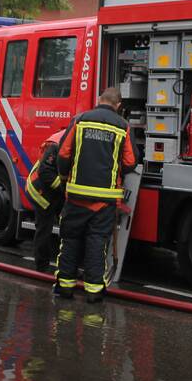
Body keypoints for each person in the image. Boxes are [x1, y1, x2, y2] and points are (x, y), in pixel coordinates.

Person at [54, 87, 136, 303]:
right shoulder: (123, 127)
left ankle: (65, 288)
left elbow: (63, 154)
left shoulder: (80, 120)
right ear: (118, 105)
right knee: (97, 243)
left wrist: (64, 178)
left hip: (76, 196)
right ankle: (93, 292)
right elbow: (130, 162)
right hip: (104, 200)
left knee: (70, 241)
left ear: (100, 99)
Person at [25, 128, 66, 273]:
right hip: (40, 192)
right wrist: (64, 189)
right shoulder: (57, 145)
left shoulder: (70, 139)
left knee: (68, 226)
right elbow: (45, 171)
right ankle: (42, 266)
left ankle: (66, 266)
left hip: (55, 192)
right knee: (44, 228)